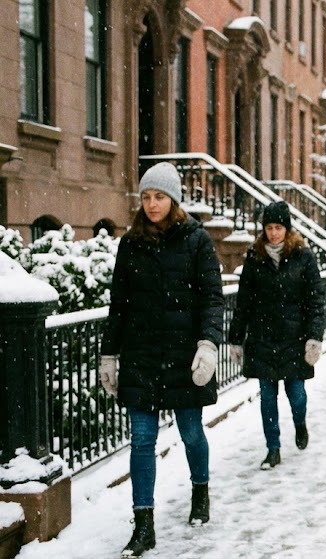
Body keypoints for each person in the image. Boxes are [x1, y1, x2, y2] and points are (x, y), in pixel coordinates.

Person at [99, 162, 224, 558]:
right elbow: (118, 305)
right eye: (146, 197)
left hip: (183, 355)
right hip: (141, 356)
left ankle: (200, 491)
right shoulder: (130, 244)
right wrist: (108, 353)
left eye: (159, 197)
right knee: (141, 441)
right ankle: (144, 525)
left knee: (190, 432)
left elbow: (211, 298)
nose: (152, 204)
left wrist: (208, 343)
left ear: (174, 199)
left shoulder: (197, 241)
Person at [228, 201, 325, 470]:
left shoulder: (303, 256)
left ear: (287, 229)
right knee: (268, 398)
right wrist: (236, 338)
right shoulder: (254, 257)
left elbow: (315, 299)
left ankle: (300, 423)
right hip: (262, 338)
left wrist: (314, 336)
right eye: (269, 228)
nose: (273, 233)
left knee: (297, 395)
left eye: (278, 227)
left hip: (294, 338)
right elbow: (244, 301)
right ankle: (273, 448)